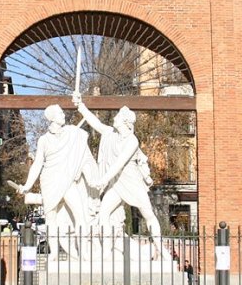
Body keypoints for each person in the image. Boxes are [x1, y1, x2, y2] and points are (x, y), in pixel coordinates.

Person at [74, 97, 161, 243]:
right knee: (103, 213)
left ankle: (160, 248)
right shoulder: (110, 133)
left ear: (125, 121)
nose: (115, 118)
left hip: (132, 182)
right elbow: (95, 123)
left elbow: (118, 164)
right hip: (117, 184)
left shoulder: (132, 141)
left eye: (118, 116)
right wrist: (81, 106)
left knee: (148, 215)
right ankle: (107, 249)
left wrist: (102, 180)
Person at [16, 103, 98, 256]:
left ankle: (84, 253)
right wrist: (27, 186)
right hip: (50, 181)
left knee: (80, 215)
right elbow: (37, 164)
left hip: (67, 180)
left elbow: (85, 129)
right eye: (60, 113)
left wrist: (81, 105)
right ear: (53, 118)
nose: (63, 115)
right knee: (51, 217)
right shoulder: (44, 140)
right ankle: (53, 253)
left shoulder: (71, 132)